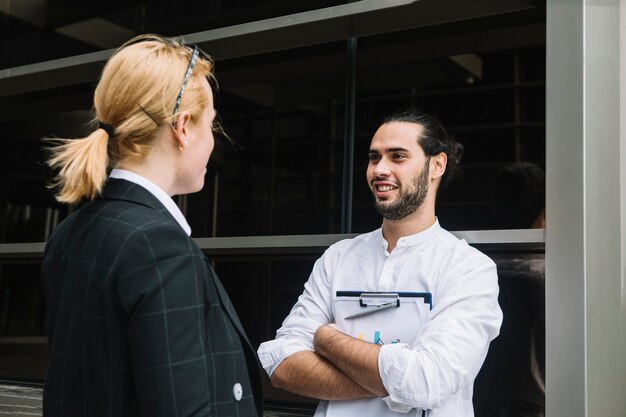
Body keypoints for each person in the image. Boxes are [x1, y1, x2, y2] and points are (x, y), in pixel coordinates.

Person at [42, 34, 262, 417]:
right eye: (211, 124)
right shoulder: (158, 244)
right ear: (182, 128)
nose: (213, 141)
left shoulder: (70, 231)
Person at [257, 110, 503, 417]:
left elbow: (428, 382)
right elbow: (281, 362)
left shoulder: (467, 268)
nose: (380, 169)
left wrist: (327, 338)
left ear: (436, 165)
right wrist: (394, 382)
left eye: (398, 156)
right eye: (374, 158)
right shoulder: (338, 257)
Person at [473, 162, 546, 417]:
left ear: (494, 209)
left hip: (481, 406)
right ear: (547, 211)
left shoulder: (474, 274)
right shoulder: (558, 280)